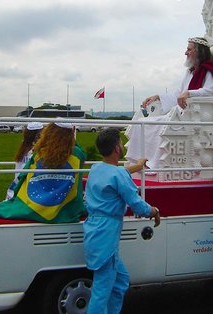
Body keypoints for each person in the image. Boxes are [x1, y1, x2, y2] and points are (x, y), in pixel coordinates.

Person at [83, 128, 161, 314]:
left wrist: (138, 166)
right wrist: (154, 211)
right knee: (101, 291)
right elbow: (138, 205)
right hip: (106, 235)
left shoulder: (96, 169)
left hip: (95, 231)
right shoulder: (117, 175)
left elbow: (117, 173)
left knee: (120, 281)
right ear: (117, 148)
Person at [125, 36, 213, 170]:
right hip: (181, 113)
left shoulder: (208, 70)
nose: (186, 53)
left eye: (189, 49)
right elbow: (177, 94)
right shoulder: (189, 72)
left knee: (157, 127)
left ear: (199, 52)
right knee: (140, 124)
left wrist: (189, 93)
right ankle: (140, 163)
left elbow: (210, 91)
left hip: (194, 116)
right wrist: (158, 97)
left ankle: (152, 165)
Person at [0, 121, 86, 223]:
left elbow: (22, 176)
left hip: (36, 201)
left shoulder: (38, 153)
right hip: (64, 206)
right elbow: (81, 154)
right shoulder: (77, 154)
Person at [5, 121, 43, 200]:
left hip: (18, 183)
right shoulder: (32, 151)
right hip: (25, 184)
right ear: (37, 135)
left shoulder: (24, 147)